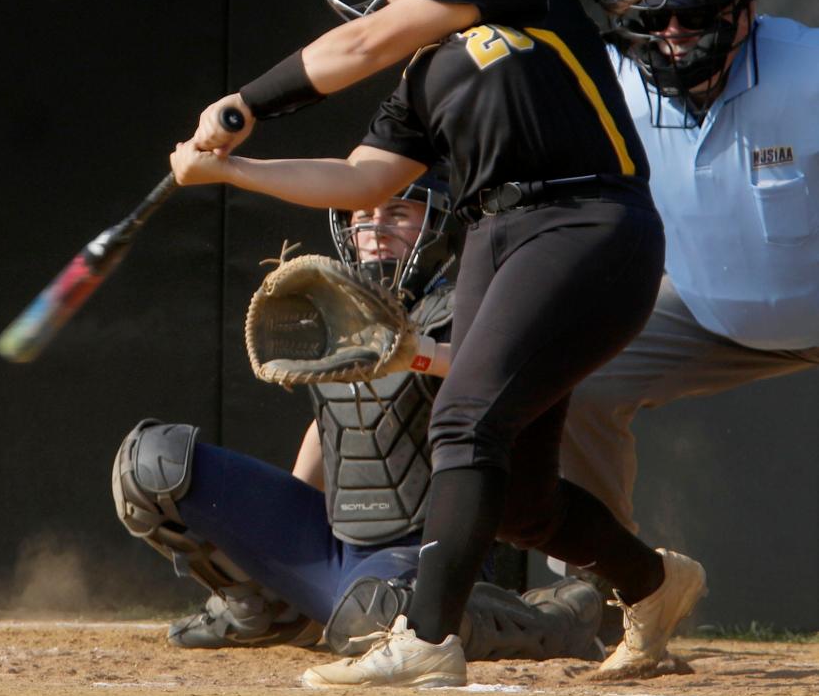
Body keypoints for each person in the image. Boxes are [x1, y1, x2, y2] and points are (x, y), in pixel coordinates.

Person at [164, 0, 705, 688]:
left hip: (588, 220)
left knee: (463, 421)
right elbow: (362, 179)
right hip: (500, 235)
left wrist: (245, 105)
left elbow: (363, 43)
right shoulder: (425, 71)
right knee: (523, 503)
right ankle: (654, 583)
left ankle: (426, 640)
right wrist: (231, 168)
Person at [115, 184, 607, 664]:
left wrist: (419, 356)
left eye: (397, 213)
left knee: (371, 616)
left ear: (436, 224)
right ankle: (269, 608)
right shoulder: (336, 311)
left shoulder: (471, 303)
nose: (374, 227)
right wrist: (276, 534)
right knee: (151, 464)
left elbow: (504, 371)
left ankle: (554, 622)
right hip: (334, 543)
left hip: (426, 555)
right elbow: (330, 428)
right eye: (362, 214)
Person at [557, 0, 819, 532]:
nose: (671, 36)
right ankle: (604, 585)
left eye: (692, 16)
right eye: (651, 19)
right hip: (707, 313)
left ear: (745, 16)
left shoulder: (807, 73)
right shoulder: (611, 81)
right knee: (575, 380)